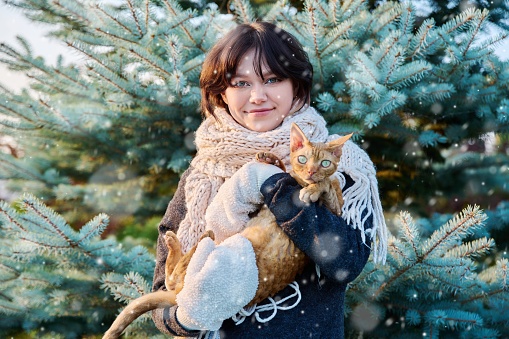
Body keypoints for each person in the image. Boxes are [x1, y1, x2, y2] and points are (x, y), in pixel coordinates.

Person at [151, 21, 387, 338]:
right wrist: (188, 318)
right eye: (241, 83)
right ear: (221, 93)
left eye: (272, 79)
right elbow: (162, 300)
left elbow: (346, 262)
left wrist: (272, 185)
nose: (258, 96)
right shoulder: (200, 175)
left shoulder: (339, 162)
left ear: (296, 85)